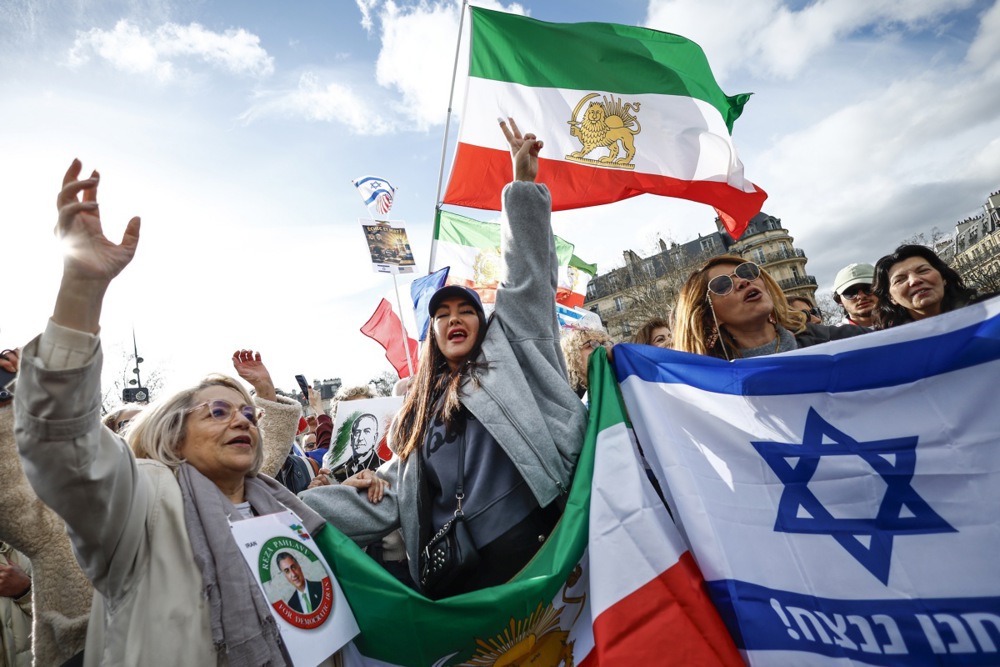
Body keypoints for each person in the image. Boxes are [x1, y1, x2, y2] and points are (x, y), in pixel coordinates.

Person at [14, 160, 383, 666]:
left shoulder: (279, 507)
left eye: (248, 414)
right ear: (173, 436)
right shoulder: (142, 503)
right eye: (218, 411)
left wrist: (366, 483)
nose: (242, 421)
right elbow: (64, 449)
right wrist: (82, 290)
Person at [302, 117, 588, 598]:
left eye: (465, 310)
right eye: (442, 315)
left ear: (483, 322)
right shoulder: (417, 412)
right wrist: (291, 510)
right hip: (466, 580)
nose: (454, 319)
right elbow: (389, 498)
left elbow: (527, 277)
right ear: (432, 334)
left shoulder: (511, 350)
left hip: (547, 544)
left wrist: (521, 186)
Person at [672, 255, 866, 359]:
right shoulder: (713, 387)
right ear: (709, 317)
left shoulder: (841, 339)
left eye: (747, 272)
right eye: (722, 285)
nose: (743, 282)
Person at [872, 244, 982, 329]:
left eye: (923, 271)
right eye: (900, 280)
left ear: (943, 278)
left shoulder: (987, 310)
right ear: (891, 297)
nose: (914, 280)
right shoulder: (889, 344)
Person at [559, 327, 613, 399]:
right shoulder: (566, 399)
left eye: (604, 344)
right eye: (592, 344)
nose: (603, 349)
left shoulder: (619, 384)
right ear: (572, 355)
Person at [832, 262, 877, 327]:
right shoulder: (835, 333)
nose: (861, 296)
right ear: (839, 300)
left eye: (868, 288)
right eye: (850, 292)